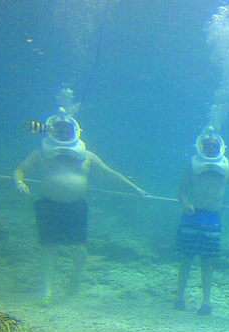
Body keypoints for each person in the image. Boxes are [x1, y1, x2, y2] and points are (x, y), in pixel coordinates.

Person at [14, 108, 146, 302]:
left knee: (79, 250)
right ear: (50, 130)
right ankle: (46, 290)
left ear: (75, 131)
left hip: (76, 206)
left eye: (66, 129)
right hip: (49, 205)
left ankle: (74, 283)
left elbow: (110, 173)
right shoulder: (40, 153)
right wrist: (19, 182)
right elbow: (20, 170)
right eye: (58, 129)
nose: (62, 132)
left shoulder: (88, 156)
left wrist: (135, 189)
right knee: (48, 248)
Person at [175, 126, 229, 315]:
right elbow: (181, 191)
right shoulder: (192, 165)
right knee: (186, 259)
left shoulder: (226, 166)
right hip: (191, 217)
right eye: (207, 145)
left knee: (207, 261)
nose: (210, 148)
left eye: (213, 145)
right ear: (201, 146)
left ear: (219, 146)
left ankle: (206, 302)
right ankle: (179, 297)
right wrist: (186, 204)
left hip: (212, 218)